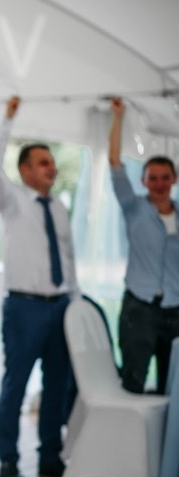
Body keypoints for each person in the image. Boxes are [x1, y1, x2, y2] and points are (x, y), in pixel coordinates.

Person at [0, 96, 78, 477]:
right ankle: (8, 458)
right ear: (25, 170)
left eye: (52, 162)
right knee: (16, 384)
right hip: (24, 308)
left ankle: (50, 456)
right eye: (43, 163)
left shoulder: (59, 207)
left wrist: (75, 301)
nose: (51, 168)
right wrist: (6, 120)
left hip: (60, 306)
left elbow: (68, 258)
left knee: (57, 383)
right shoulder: (12, 203)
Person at [108, 97, 179, 395]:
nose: (159, 184)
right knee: (133, 380)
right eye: (153, 178)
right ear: (144, 180)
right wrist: (118, 117)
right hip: (139, 308)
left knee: (172, 387)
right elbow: (115, 163)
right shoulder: (134, 208)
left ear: (174, 179)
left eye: (165, 178)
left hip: (175, 309)